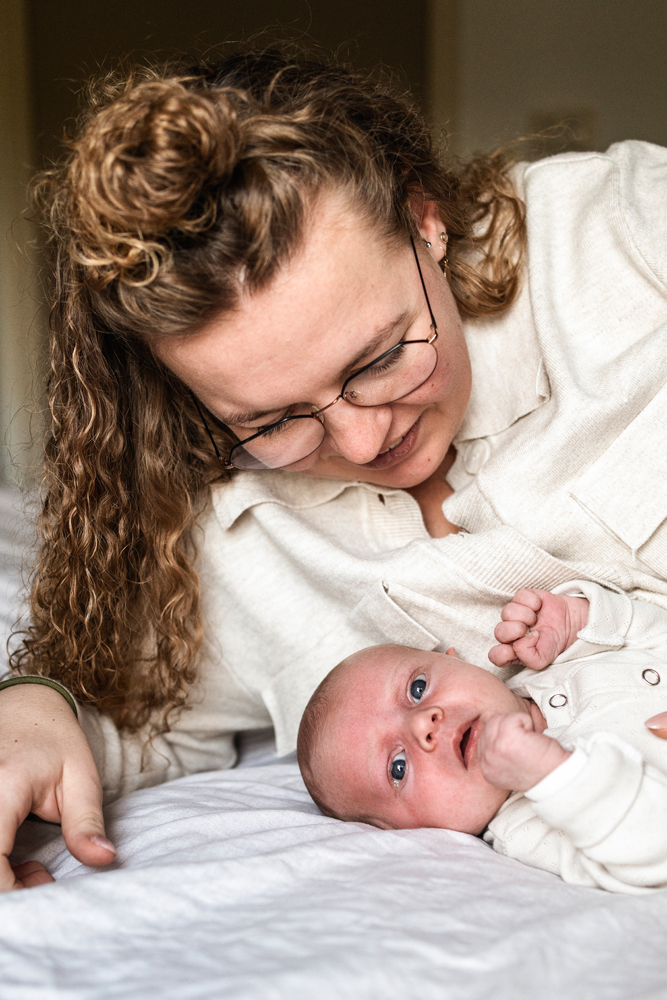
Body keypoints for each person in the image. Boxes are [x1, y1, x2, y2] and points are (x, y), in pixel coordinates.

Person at [1, 44, 666, 892]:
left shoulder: (618, 234)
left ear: (425, 222)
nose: (359, 444)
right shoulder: (231, 544)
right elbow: (138, 718)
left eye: (382, 357)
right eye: (273, 420)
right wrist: (30, 705)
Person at [297, 581, 667, 893]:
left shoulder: (562, 661)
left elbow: (656, 633)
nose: (422, 725)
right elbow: (651, 854)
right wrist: (553, 775)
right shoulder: (525, 828)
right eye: (398, 767)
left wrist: (581, 620)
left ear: (457, 660)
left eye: (418, 688)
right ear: (405, 832)